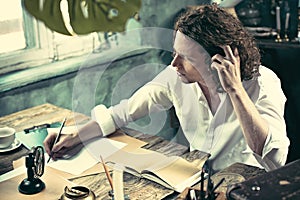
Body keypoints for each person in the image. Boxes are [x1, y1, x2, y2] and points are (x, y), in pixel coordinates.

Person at [44, 4, 290, 172]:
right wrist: (75, 136)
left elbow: (275, 159)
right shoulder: (176, 76)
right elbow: (123, 112)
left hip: (244, 188)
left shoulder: (263, 83)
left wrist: (235, 90)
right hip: (197, 181)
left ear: (217, 60)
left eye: (187, 58)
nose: (174, 64)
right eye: (175, 53)